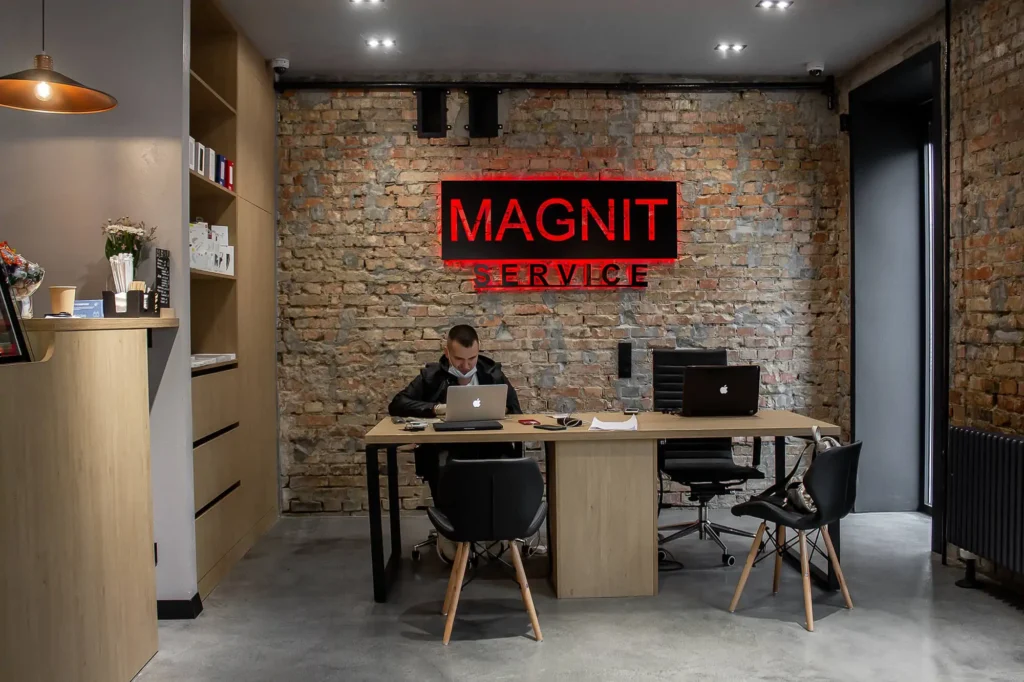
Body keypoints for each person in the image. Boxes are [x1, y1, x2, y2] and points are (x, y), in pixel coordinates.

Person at [388, 324, 522, 499]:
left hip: (490, 448)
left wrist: (500, 408)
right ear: (447, 353)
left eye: (472, 358)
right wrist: (435, 408)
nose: (466, 366)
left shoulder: (492, 373)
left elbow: (516, 410)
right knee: (449, 473)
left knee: (503, 475)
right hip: (446, 449)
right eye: (459, 359)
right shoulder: (432, 376)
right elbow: (398, 404)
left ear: (478, 351)